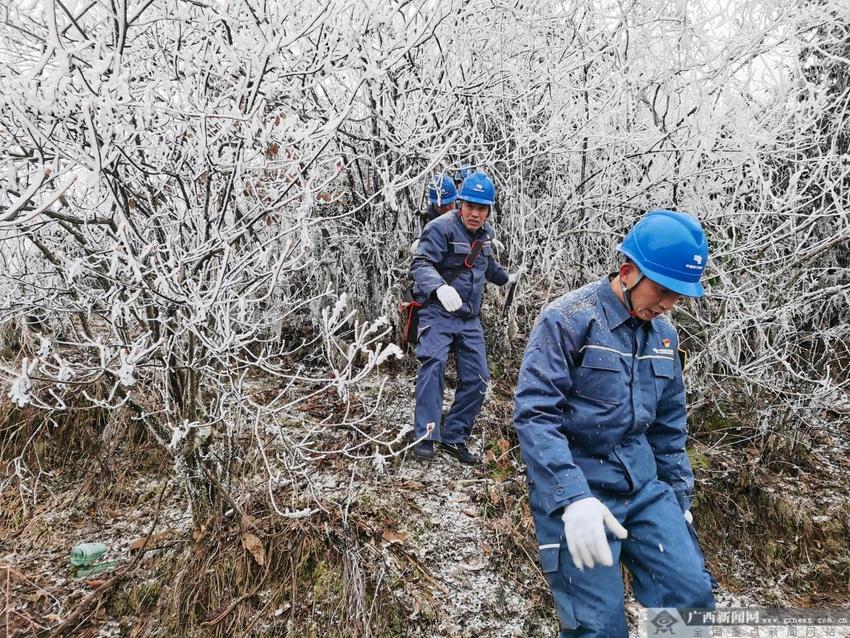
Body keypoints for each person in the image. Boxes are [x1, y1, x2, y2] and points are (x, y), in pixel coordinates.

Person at [513, 209, 715, 637]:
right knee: (598, 627)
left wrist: (680, 499)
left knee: (690, 601)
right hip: (579, 488)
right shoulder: (568, 320)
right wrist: (571, 499)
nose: (668, 305)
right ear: (628, 272)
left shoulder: (664, 336)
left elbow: (667, 427)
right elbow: (535, 416)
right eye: (662, 291)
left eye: (678, 297)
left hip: (644, 490)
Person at [409, 172, 521, 464]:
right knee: (433, 366)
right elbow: (420, 264)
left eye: (482, 208)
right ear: (460, 204)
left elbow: (487, 266)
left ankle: (454, 436)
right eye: (470, 206)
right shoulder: (439, 228)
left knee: (479, 378)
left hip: (469, 319)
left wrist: (506, 278)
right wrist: (439, 287)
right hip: (438, 312)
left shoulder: (485, 236)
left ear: (488, 211)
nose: (475, 213)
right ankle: (426, 435)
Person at [411, 175, 458, 252]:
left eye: (450, 204)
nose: (447, 208)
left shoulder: (463, 212)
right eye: (442, 205)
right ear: (434, 204)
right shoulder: (425, 218)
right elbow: (417, 248)